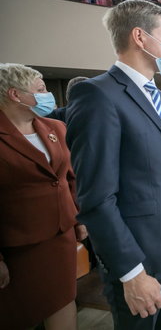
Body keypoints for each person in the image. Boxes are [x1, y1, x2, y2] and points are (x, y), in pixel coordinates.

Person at [65, 0, 161, 328]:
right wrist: (131, 272)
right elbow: (96, 198)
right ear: (140, 38)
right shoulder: (98, 96)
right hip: (139, 258)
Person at [0, 63, 88, 329]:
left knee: (62, 300)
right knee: (18, 312)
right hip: (18, 245)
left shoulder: (56, 127)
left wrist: (80, 218)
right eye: (40, 89)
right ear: (15, 94)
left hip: (60, 237)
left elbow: (69, 179)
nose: (47, 94)